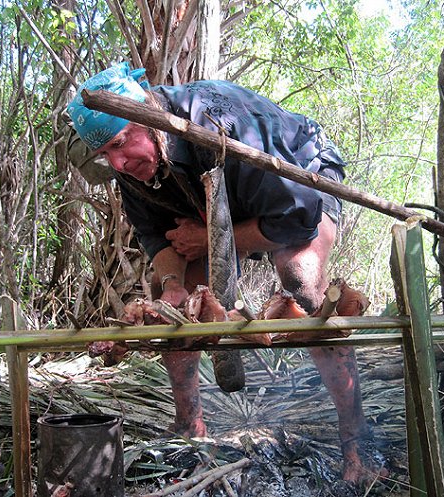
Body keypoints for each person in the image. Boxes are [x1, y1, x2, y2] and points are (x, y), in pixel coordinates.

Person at [67, 62, 383, 485]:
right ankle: (190, 426)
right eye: (105, 154)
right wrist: (175, 287)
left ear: (146, 114)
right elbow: (156, 238)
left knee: (302, 281)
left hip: (301, 177)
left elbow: (297, 218)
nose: (119, 163)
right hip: (212, 209)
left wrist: (214, 238)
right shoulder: (130, 167)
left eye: (122, 143)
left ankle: (356, 438)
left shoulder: (216, 125)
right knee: (178, 307)